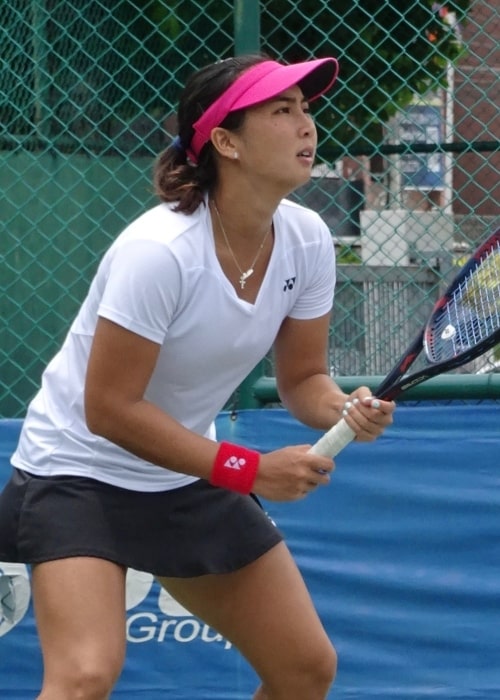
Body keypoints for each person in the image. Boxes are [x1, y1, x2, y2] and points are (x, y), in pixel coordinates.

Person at [0, 53, 395, 700]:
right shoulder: (158, 253)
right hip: (78, 474)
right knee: (82, 677)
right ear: (225, 142)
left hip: (185, 476)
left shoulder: (309, 240)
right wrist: (249, 469)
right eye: (282, 110)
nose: (307, 125)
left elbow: (303, 380)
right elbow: (110, 409)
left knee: (304, 669)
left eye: (305, 108)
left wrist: (343, 409)